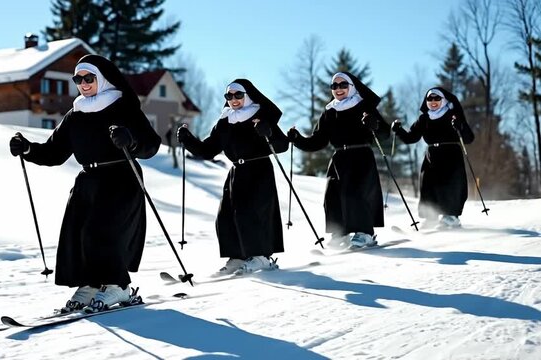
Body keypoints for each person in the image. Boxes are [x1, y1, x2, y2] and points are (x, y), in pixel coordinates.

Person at [9, 54, 161, 313]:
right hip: (87, 181)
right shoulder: (76, 113)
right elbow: (54, 152)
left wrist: (130, 140)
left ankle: (118, 285)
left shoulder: (122, 106)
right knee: (78, 234)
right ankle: (91, 284)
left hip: (121, 178)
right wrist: (27, 149)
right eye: (77, 79)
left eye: (88, 78)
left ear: (102, 79)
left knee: (101, 231)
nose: (83, 83)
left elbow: (151, 144)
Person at [177, 79, 288, 275]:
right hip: (236, 173)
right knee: (226, 216)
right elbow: (208, 150)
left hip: (259, 170)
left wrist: (268, 132)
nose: (234, 100)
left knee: (254, 214)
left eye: (238, 95)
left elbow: (281, 146)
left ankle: (261, 257)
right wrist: (188, 139)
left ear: (248, 96)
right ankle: (237, 257)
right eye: (229, 96)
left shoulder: (260, 115)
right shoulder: (225, 121)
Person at [287, 72, 389, 249]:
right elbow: (317, 141)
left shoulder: (364, 105)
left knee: (357, 194)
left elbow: (384, 134)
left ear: (351, 87)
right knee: (332, 195)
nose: (338, 89)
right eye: (334, 86)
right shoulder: (330, 112)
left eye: (343, 85)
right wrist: (297, 139)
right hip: (339, 159)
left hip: (361, 156)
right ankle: (339, 232)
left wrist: (374, 124)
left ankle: (365, 233)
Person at [391, 87, 474, 229]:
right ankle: (430, 217)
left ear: (444, 100)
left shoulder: (453, 114)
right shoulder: (425, 118)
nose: (433, 101)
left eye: (437, 98)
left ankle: (451, 216)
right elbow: (412, 138)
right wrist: (398, 130)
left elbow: (468, 138)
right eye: (430, 99)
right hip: (431, 156)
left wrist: (460, 126)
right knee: (428, 186)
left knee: (451, 184)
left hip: (451, 155)